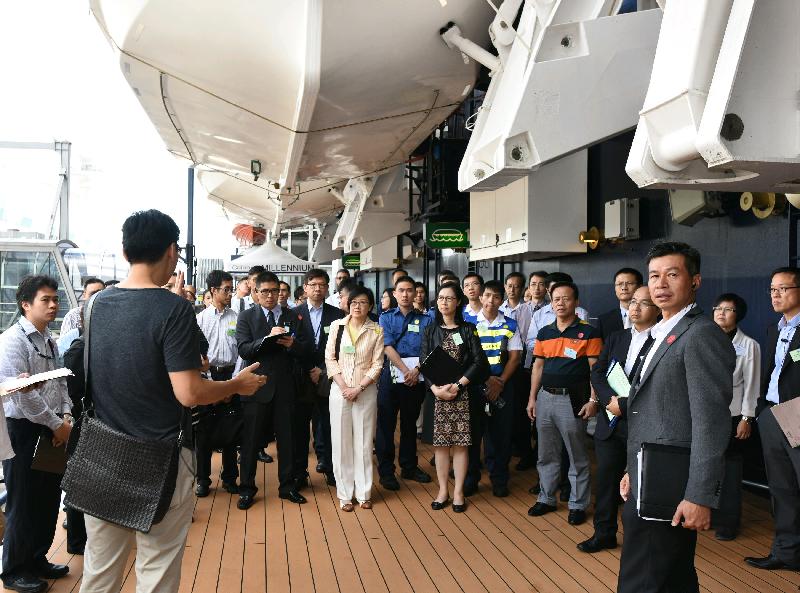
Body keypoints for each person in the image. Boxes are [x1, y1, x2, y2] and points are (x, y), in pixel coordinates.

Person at [77, 210, 264, 593]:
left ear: (126, 251)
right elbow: (190, 393)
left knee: (99, 571)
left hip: (103, 453)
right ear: (171, 251)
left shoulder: (95, 305)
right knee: (157, 570)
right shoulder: (174, 309)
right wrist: (237, 385)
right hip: (162, 456)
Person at [617, 242, 734, 593]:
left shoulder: (700, 334)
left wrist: (699, 495)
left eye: (672, 274)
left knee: (646, 578)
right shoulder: (661, 331)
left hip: (672, 483)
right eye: (654, 276)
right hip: (649, 474)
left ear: (695, 281)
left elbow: (711, 422)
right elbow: (654, 410)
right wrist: (632, 469)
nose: (661, 284)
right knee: (673, 576)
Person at [0, 275, 73, 593]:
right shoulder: (12, 341)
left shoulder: (50, 340)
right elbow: (21, 394)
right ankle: (14, 569)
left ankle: (37, 558)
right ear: (25, 304)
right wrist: (56, 425)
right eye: (46, 299)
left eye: (55, 299)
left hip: (54, 428)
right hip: (24, 431)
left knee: (47, 497)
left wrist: (66, 416)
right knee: (23, 501)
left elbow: (60, 383)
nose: (54, 304)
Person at [579, 284, 659, 553]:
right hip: (610, 421)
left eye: (643, 303)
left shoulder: (661, 341)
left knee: (640, 484)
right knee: (605, 481)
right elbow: (598, 373)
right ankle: (604, 533)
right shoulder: (616, 337)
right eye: (633, 302)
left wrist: (624, 404)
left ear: (658, 308)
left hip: (641, 422)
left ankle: (639, 539)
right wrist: (609, 401)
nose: (635, 308)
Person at [527, 281, 600, 525]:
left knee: (576, 453)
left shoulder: (588, 332)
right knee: (546, 453)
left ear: (576, 303)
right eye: (556, 299)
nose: (561, 303)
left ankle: (578, 504)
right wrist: (532, 398)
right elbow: (537, 366)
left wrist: (593, 399)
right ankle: (546, 497)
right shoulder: (545, 332)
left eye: (566, 298)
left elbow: (595, 370)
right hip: (545, 397)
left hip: (573, 399)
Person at [236, 270, 310, 509]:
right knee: (251, 441)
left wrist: (293, 345)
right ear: (255, 292)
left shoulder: (293, 315)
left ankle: (287, 486)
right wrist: (267, 338)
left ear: (280, 292)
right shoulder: (246, 316)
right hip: (256, 386)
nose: (270, 295)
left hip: (286, 387)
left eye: (274, 291)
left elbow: (308, 349)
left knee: (287, 439)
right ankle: (246, 489)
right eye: (265, 291)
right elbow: (244, 350)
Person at [744, 267, 800, 571]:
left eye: (784, 289)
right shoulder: (774, 329)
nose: (776, 295)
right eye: (772, 290)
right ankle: (786, 552)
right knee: (781, 488)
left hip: (799, 412)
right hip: (772, 413)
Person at [423, 282, 489, 512]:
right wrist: (435, 389)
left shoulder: (468, 329)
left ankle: (459, 491)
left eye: (449, 298)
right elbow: (424, 364)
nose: (444, 302)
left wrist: (459, 385)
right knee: (440, 447)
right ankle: (443, 490)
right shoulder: (430, 329)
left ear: (458, 301)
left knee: (461, 446)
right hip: (438, 395)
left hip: (463, 395)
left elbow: (480, 362)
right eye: (441, 298)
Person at [326, 286, 385, 511]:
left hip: (365, 391)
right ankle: (344, 494)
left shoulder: (376, 331)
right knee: (341, 442)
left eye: (362, 302)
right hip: (339, 390)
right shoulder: (337, 326)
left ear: (370, 305)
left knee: (363, 442)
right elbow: (330, 359)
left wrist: (358, 388)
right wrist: (343, 386)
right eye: (353, 302)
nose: (357, 306)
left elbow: (377, 364)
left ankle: (364, 493)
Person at [465, 280, 522, 498]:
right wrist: (486, 378)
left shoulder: (511, 324)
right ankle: (471, 479)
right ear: (480, 297)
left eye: (496, 297)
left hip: (502, 386)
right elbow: (466, 357)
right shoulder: (468, 323)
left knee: (501, 435)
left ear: (502, 300)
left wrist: (499, 382)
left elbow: (515, 358)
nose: (491, 300)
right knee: (472, 434)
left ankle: (499, 479)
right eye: (487, 295)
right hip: (473, 386)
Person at [711, 293, 759, 541]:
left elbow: (751, 385)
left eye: (728, 309)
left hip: (733, 415)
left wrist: (747, 418)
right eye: (718, 308)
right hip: (704, 414)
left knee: (730, 470)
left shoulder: (749, 345)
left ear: (737, 315)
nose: (721, 313)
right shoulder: (704, 338)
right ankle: (708, 513)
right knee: (707, 466)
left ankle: (728, 522)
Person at [376, 275, 432, 490]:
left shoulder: (427, 320)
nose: (407, 294)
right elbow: (387, 346)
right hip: (391, 377)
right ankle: (386, 471)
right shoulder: (386, 318)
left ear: (416, 293)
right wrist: (405, 370)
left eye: (411, 290)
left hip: (416, 379)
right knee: (386, 426)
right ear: (395, 293)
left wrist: (416, 371)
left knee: (409, 425)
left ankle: (409, 467)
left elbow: (429, 349)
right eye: (402, 290)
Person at [294, 269, 345, 489]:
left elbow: (341, 348)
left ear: (327, 288)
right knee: (300, 427)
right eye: (313, 284)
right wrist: (310, 369)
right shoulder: (293, 314)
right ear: (305, 287)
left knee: (329, 424)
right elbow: (291, 347)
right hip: (301, 378)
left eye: (322, 285)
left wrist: (322, 370)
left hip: (329, 376)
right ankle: (300, 472)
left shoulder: (337, 315)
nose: (317, 288)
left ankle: (332, 470)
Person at [194, 270, 241, 498]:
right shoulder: (201, 319)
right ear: (213, 291)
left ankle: (230, 478)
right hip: (208, 379)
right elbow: (197, 355)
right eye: (226, 289)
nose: (230, 293)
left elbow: (241, 351)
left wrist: (233, 383)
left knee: (232, 431)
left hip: (231, 376)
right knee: (204, 433)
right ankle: (203, 479)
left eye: (231, 289)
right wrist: (212, 384)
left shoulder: (236, 317)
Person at [499, 271, 535, 471]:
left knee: (520, 410)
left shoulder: (529, 310)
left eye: (517, 286)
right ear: (505, 287)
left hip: (521, 364)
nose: (512, 289)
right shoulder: (499, 308)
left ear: (523, 289)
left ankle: (524, 451)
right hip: (500, 362)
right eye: (509, 285)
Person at [597, 268, 643, 339]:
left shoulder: (652, 316)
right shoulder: (604, 321)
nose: (624, 288)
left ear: (640, 287)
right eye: (619, 284)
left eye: (629, 283)